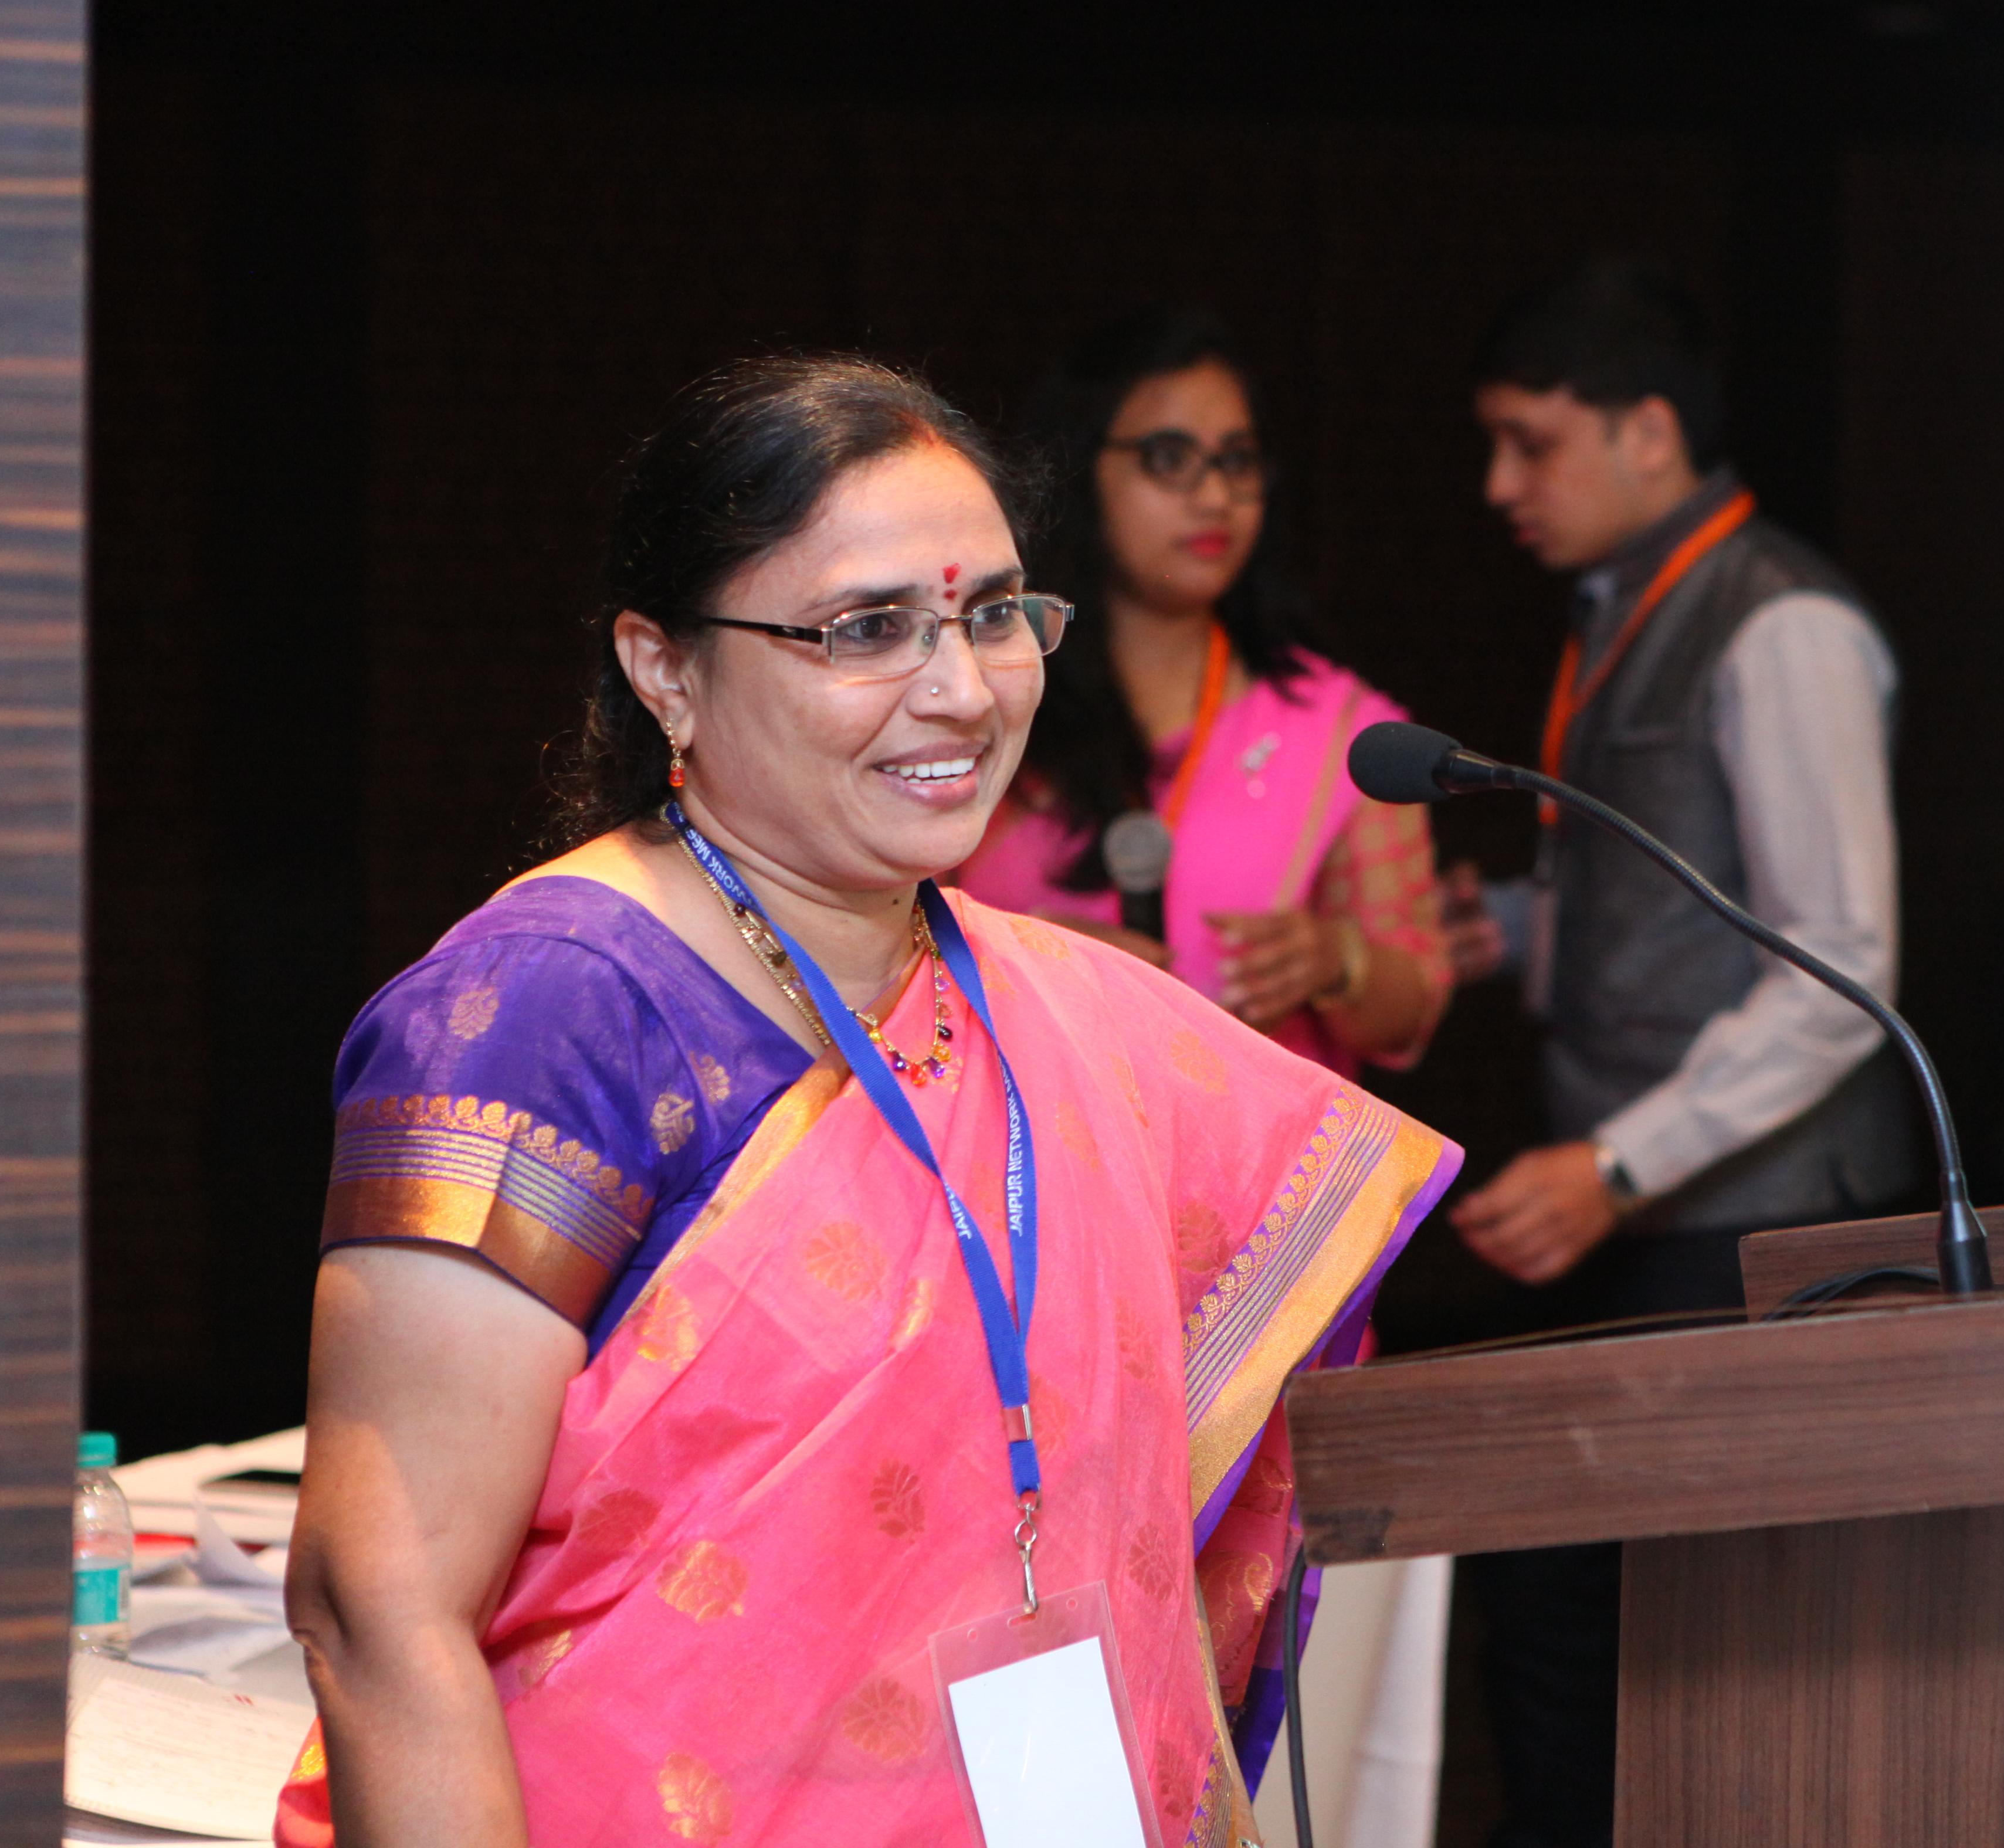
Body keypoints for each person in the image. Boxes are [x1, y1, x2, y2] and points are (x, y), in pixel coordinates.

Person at [276, 354, 1458, 1848]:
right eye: (868, 629)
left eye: (995, 615)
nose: (961, 691)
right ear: (664, 671)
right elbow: (378, 1606)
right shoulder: (546, 1014)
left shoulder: (1051, 1007)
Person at [1439, 257, 1917, 1848]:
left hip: (1747, 1224)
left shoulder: (1780, 624)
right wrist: (1506, 931)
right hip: (1658, 1210)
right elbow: (1673, 891)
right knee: (1574, 1618)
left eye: (1531, 442)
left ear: (1648, 432)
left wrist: (1614, 1166)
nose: (1500, 485)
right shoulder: (1625, 603)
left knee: (1681, 1635)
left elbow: (1838, 967)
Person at [954, 309, 1451, 1079]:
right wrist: (1022, 960)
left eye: (1238, 461)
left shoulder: (1340, 730)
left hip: (1260, 1152)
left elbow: (1413, 1005)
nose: (1216, 495)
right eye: (1170, 458)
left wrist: (1335, 959)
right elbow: (864, 959)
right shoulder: (976, 698)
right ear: (1081, 465)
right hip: (1020, 1141)